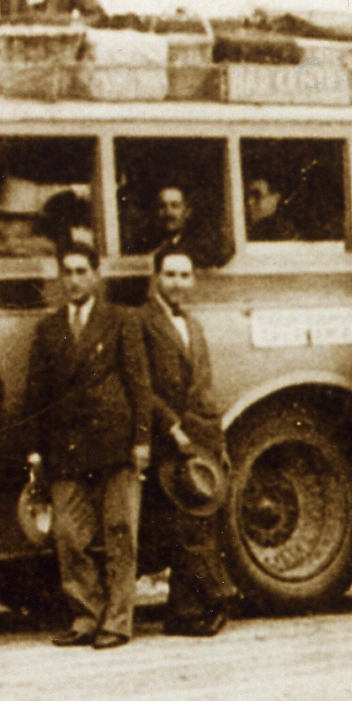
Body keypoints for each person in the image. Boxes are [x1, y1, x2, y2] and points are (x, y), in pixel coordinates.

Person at [24, 244, 153, 649]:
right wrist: (35, 450)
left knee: (120, 533)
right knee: (69, 536)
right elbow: (36, 394)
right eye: (68, 271)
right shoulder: (47, 328)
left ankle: (117, 621)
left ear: (96, 275)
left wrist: (142, 439)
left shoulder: (119, 320)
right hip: (66, 446)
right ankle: (85, 615)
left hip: (114, 441)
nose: (74, 279)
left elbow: (139, 383)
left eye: (82, 271)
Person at [140, 249, 237, 636]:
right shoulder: (142, 322)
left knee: (199, 523)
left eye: (184, 275)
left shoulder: (194, 325)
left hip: (200, 438)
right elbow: (141, 385)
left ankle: (184, 611)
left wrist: (218, 442)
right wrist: (170, 427)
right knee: (182, 527)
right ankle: (208, 600)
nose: (178, 282)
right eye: (170, 274)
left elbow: (206, 387)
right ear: (156, 277)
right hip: (170, 438)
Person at [151, 185, 231, 272]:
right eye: (162, 206)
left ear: (187, 211)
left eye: (175, 206)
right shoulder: (159, 247)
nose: (168, 212)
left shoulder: (203, 245)